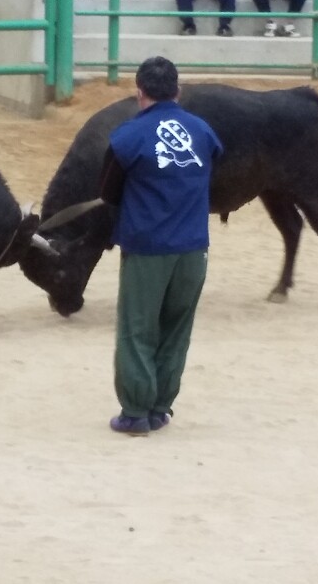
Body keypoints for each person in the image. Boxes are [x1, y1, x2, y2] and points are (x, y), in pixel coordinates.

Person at [99, 56, 223, 436]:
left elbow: (108, 192)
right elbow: (210, 167)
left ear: (140, 92)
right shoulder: (202, 131)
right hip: (194, 248)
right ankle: (159, 406)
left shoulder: (128, 137)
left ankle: (135, 410)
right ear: (177, 91)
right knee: (176, 329)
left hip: (148, 247)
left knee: (137, 329)